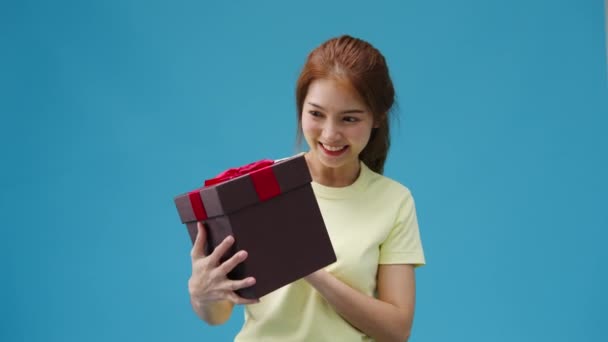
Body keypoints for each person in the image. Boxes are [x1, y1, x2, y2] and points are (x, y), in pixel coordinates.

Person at [188, 35, 426, 341]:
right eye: (316, 114)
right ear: (301, 109)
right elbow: (218, 315)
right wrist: (201, 292)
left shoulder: (394, 201)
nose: (330, 134)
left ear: (377, 117)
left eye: (349, 118)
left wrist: (310, 270)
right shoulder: (262, 186)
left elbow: (396, 330)